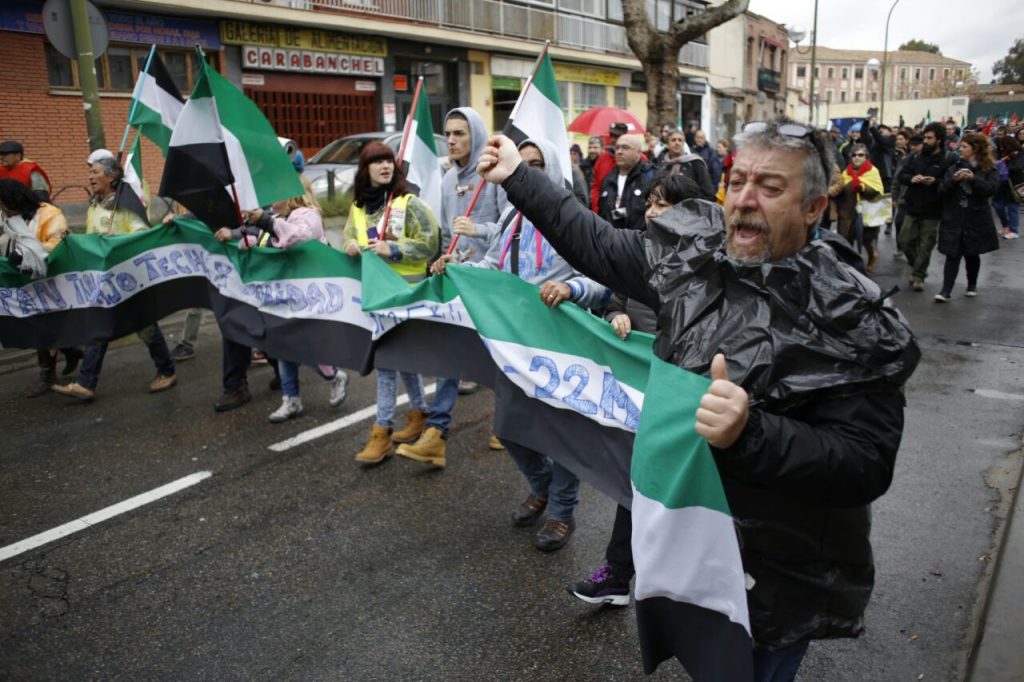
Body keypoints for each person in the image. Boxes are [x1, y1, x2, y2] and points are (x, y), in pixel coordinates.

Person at [475, 118, 918, 680]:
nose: (745, 202)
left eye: (771, 188)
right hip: (686, 542)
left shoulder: (849, 313)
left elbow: (865, 462)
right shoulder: (694, 256)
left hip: (777, 573)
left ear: (813, 207)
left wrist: (750, 434)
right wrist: (519, 176)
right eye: (737, 182)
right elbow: (600, 245)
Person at [426, 138, 609, 550]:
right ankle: (539, 484)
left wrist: (570, 286)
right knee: (510, 428)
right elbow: (492, 265)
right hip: (513, 344)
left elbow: (604, 280)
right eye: (521, 163)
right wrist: (461, 268)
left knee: (561, 433)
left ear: (555, 168)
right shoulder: (512, 216)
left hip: (561, 344)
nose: (528, 171)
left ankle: (562, 511)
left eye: (538, 164)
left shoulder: (574, 218)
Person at [569, 173, 703, 605]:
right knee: (638, 480)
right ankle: (617, 576)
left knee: (686, 494)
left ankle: (698, 589)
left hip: (690, 398)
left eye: (662, 204)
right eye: (649, 203)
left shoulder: (706, 265)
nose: (650, 211)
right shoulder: (637, 253)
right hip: (643, 390)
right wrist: (615, 316)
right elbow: (613, 298)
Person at [395, 107, 504, 464]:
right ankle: (437, 433)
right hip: (461, 282)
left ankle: (508, 424)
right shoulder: (445, 180)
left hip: (494, 283)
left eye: (460, 133)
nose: (453, 140)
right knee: (450, 352)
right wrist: (444, 260)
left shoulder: (494, 176)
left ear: (476, 135)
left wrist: (480, 231)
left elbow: (509, 231)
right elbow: (447, 236)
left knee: (500, 357)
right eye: (449, 133)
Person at [343, 141, 439, 463]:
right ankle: (420, 411)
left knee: (385, 363)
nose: (385, 166)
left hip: (406, 296)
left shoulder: (408, 203)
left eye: (388, 161)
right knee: (402, 358)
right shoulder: (357, 208)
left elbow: (431, 242)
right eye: (377, 162)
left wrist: (394, 250)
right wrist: (350, 247)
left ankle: (381, 431)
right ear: (365, 169)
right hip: (375, 297)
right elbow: (347, 236)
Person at [52, 156, 177, 401]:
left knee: (146, 328)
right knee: (99, 329)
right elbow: (91, 238)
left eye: (96, 172)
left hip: (130, 279)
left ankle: (167, 370)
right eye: (89, 172)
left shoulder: (127, 205)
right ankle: (86, 383)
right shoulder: (95, 205)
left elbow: (141, 238)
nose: (90, 176)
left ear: (111, 177)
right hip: (104, 280)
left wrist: (114, 240)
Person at [227, 185, 350, 422]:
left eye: (275, 193)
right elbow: (262, 240)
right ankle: (291, 398)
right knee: (282, 345)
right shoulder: (276, 218)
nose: (270, 199)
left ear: (293, 194)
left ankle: (334, 376)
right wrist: (242, 239)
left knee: (303, 346)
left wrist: (265, 221)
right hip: (281, 295)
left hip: (308, 295)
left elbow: (295, 237)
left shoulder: (308, 215)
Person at [0, 179, 81, 396]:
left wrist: (26, 255)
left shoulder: (49, 215)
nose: (3, 210)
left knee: (42, 325)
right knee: (38, 324)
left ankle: (47, 377)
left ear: (14, 200)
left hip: (50, 277)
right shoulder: (8, 216)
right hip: (23, 279)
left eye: (5, 205)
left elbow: (57, 244)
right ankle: (71, 351)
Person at [933, 133, 1000, 302]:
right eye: (960, 146)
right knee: (952, 254)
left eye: (964, 147)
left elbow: (991, 189)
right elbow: (941, 191)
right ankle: (945, 291)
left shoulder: (988, 168)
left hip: (976, 218)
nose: (960, 149)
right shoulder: (954, 167)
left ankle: (972, 284)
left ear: (975, 148)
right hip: (954, 217)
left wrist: (973, 179)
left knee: (972, 253)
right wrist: (953, 181)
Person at [897, 122, 953, 291]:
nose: (926, 141)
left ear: (939, 140)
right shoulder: (915, 157)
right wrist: (911, 179)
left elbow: (950, 182)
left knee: (926, 244)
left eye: (930, 138)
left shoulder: (948, 159)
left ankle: (919, 275)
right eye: (925, 137)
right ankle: (917, 267)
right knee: (904, 240)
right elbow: (902, 175)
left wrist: (936, 182)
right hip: (912, 206)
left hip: (933, 210)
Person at [838, 143, 885, 271]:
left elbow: (877, 191)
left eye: (860, 155)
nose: (857, 158)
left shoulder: (872, 171)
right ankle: (847, 267)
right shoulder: (845, 172)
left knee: (867, 240)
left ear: (866, 157)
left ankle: (872, 256)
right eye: (854, 155)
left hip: (867, 212)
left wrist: (864, 187)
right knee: (845, 240)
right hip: (847, 212)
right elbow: (840, 189)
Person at [599, 134, 654, 230]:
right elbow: (603, 213)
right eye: (617, 148)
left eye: (625, 148)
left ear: (638, 153)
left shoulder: (650, 177)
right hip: (611, 239)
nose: (619, 152)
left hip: (639, 239)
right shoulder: (608, 179)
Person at [656, 129, 715, 200]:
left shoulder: (695, 163)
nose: (677, 143)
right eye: (673, 140)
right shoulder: (663, 164)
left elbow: (708, 193)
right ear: (668, 145)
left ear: (683, 144)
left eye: (680, 140)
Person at [591, 122, 629, 213]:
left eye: (616, 136)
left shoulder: (637, 158)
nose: (612, 139)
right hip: (603, 214)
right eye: (611, 135)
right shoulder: (603, 158)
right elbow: (595, 186)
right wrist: (597, 209)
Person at [993, 137, 1023, 239]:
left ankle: (1014, 230)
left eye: (1003, 146)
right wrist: (1001, 161)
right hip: (1001, 184)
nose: (1001, 148)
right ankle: (1005, 225)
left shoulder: (1020, 154)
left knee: (1012, 207)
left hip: (1013, 185)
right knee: (997, 205)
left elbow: (1018, 167)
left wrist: (1004, 164)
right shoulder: (1000, 154)